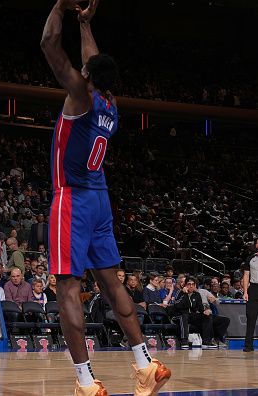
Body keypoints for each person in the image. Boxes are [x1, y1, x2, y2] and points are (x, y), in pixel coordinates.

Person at [40, 1, 170, 394]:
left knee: (66, 289)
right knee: (113, 284)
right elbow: (93, 61)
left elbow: (48, 43)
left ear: (87, 78)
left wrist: (60, 8)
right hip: (100, 199)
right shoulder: (112, 105)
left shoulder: (80, 95)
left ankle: (85, 381)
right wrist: (85, 25)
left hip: (73, 199)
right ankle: (145, 364)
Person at [242, 238, 258, 352]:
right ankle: (248, 346)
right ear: (256, 245)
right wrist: (245, 292)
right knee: (251, 317)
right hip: (253, 289)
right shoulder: (250, 259)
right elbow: (246, 276)